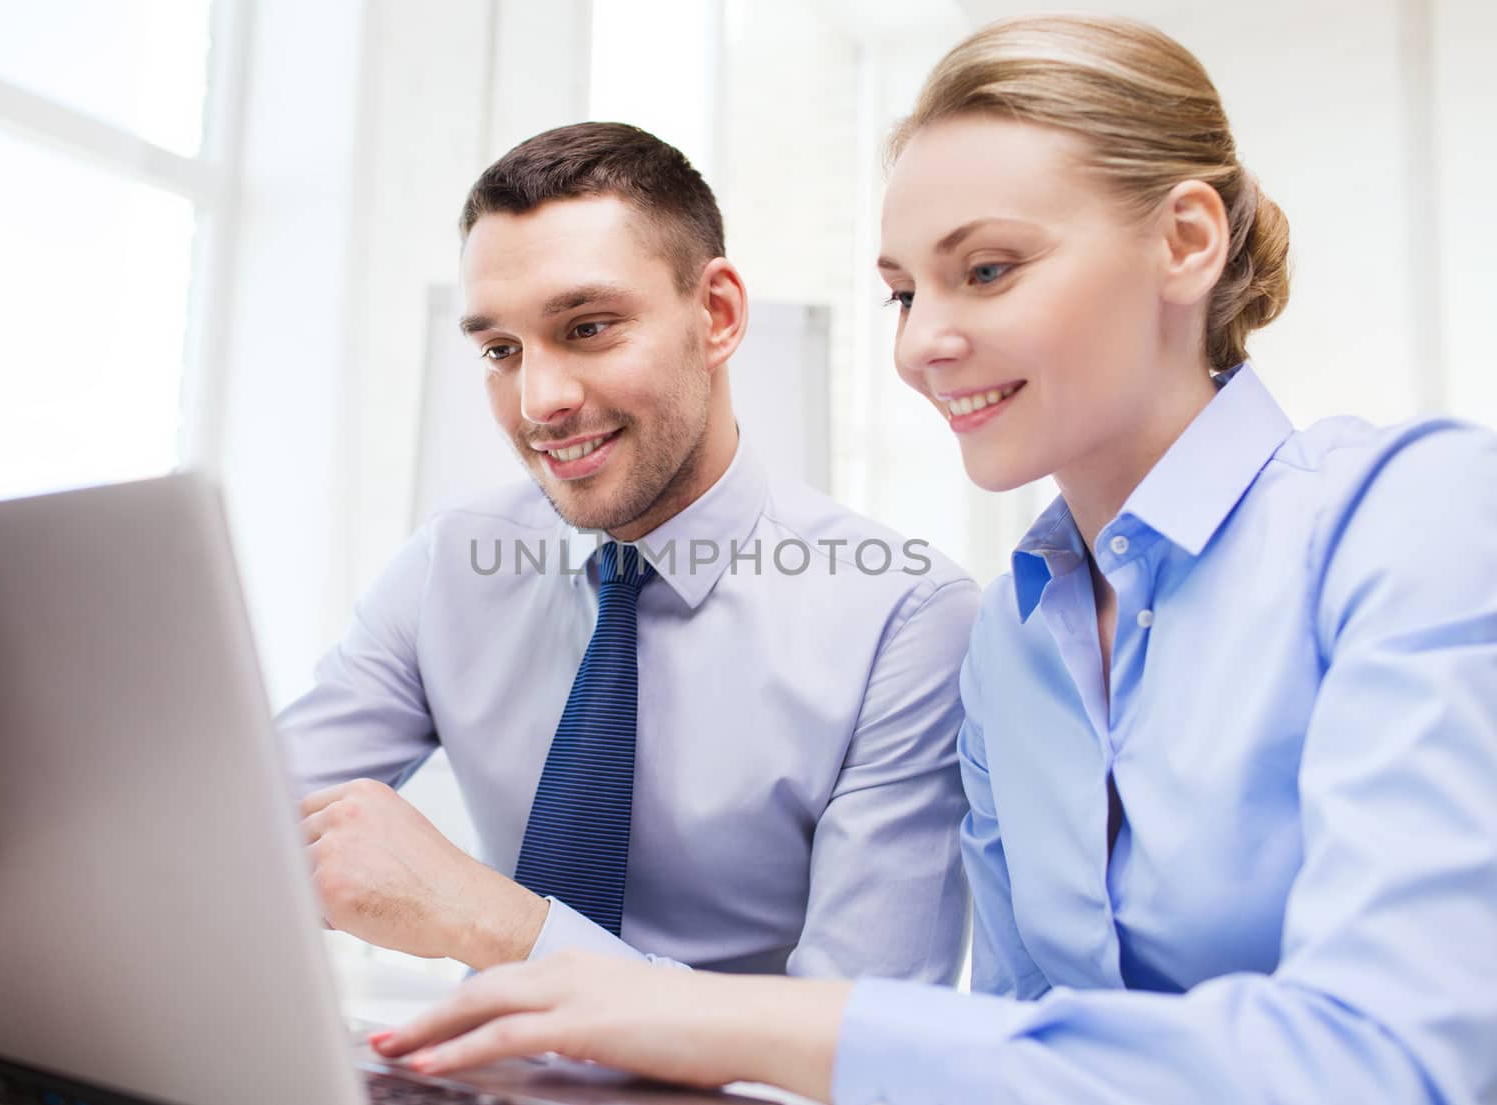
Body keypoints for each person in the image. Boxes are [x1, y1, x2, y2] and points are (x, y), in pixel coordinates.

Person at [367, 16, 1497, 1104]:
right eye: (903, 290)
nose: (919, 343)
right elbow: (1005, 1056)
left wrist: (706, 1018)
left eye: (990, 270)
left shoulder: (1413, 519)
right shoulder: (1013, 643)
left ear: (1186, 241)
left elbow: (1392, 1062)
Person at [279, 122, 981, 982]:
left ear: (717, 315)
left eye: (588, 327)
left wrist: (501, 925)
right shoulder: (451, 565)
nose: (539, 400)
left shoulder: (904, 618)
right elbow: (241, 824)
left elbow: (862, 1043)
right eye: (501, 350)